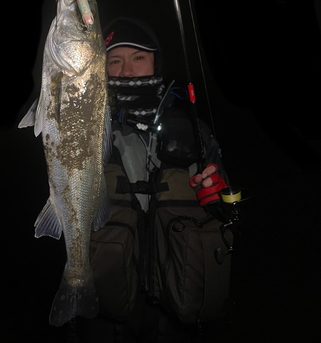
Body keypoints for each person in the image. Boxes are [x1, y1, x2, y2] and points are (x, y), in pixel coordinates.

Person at [75, 18, 230, 342]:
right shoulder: (86, 129)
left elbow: (232, 208)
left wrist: (221, 198)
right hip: (108, 303)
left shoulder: (194, 128)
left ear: (156, 62)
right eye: (115, 60)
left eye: (138, 58)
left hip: (177, 299)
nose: (127, 71)